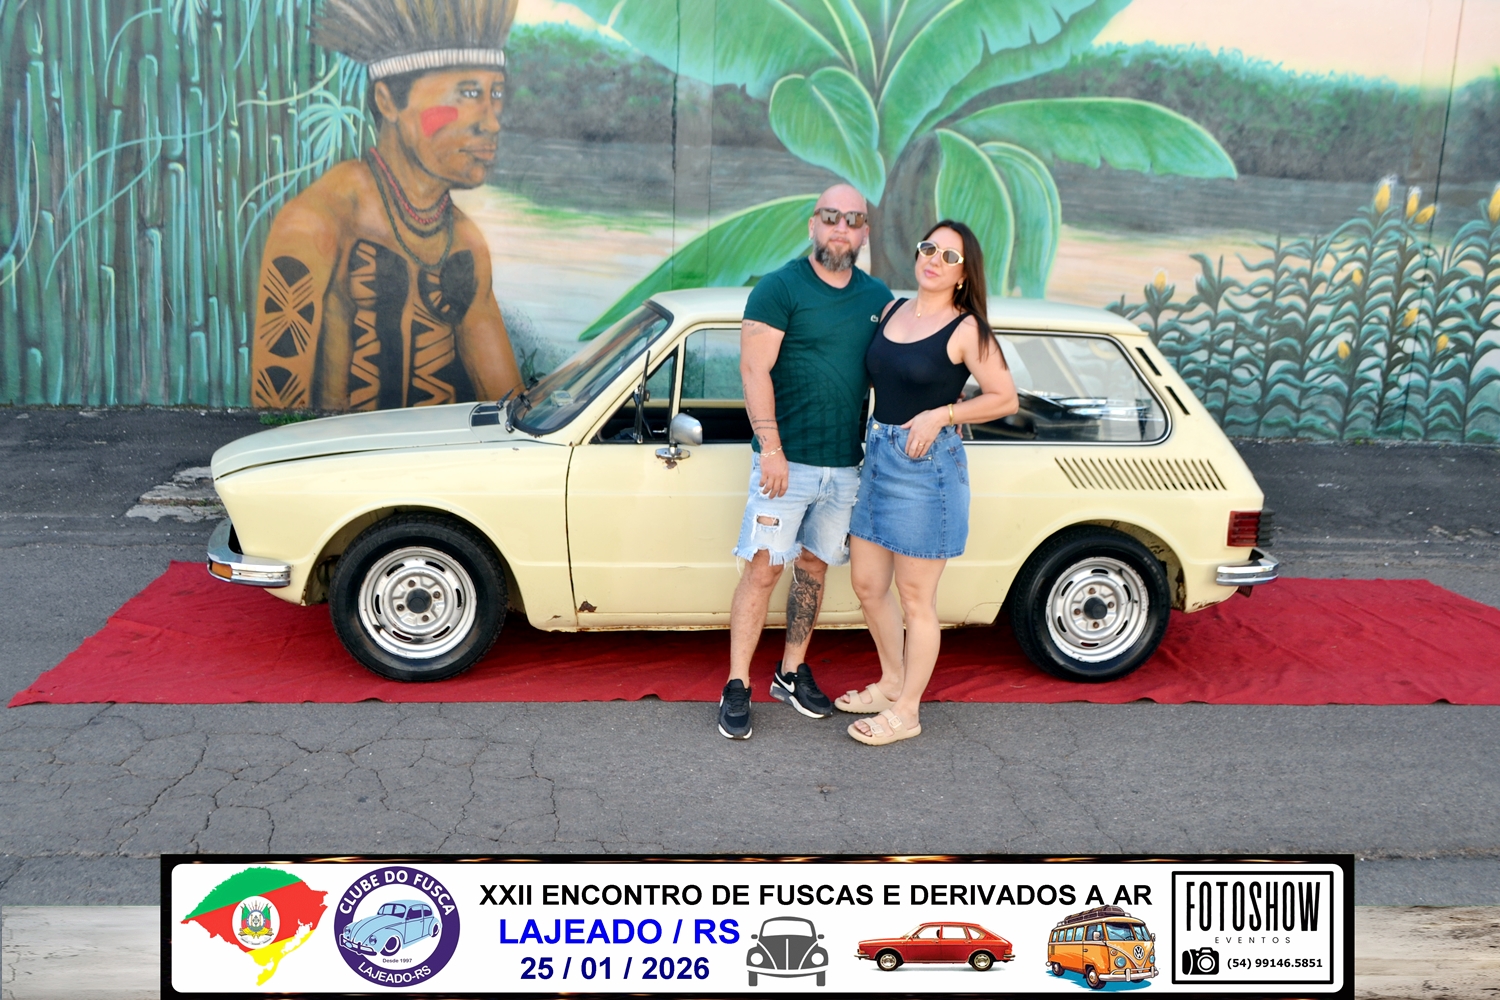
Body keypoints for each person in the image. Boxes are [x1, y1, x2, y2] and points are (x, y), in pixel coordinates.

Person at [251, 0, 523, 411]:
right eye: (468, 93)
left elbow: (508, 407)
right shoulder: (317, 225)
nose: (492, 122)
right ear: (388, 101)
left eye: (495, 94)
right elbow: (278, 415)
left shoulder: (466, 245)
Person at [717, 184, 894, 740]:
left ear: (864, 233)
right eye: (831, 217)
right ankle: (737, 684)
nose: (842, 228)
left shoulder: (877, 297)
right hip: (784, 464)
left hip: (844, 467)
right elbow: (753, 370)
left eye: (853, 220)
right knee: (764, 568)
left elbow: (903, 364)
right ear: (813, 224)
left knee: (814, 567)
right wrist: (771, 449)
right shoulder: (779, 288)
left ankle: (790, 672)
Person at [838, 220, 1019, 745]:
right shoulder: (893, 310)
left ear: (964, 274)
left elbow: (1005, 398)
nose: (935, 260)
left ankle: (908, 712)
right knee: (868, 585)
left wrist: (943, 414)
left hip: (926, 469)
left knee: (917, 600)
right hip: (879, 457)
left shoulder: (967, 329)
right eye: (929, 248)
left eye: (949, 256)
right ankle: (891, 682)